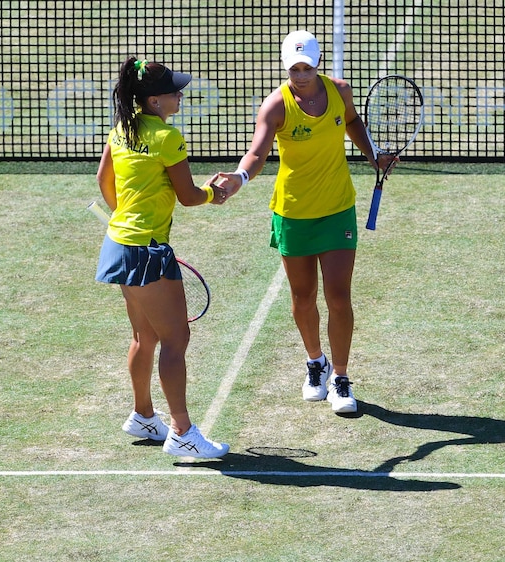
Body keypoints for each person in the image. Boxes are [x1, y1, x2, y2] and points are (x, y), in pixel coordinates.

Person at [216, 31, 395, 414]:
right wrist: (238, 179)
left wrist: (373, 154)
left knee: (339, 296)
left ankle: (341, 378)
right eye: (294, 69)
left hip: (336, 210)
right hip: (293, 213)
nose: (300, 75)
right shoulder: (276, 105)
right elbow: (257, 152)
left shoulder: (339, 91)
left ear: (317, 66)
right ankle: (316, 362)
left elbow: (352, 121)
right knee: (302, 299)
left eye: (306, 68)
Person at [95, 56, 230, 458]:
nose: (180, 95)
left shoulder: (121, 129)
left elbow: (104, 181)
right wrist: (214, 193)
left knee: (144, 336)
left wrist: (126, 217)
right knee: (175, 339)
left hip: (118, 244)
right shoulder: (167, 138)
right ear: (154, 101)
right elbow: (189, 197)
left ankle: (142, 415)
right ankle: (182, 432)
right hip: (147, 252)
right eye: (174, 91)